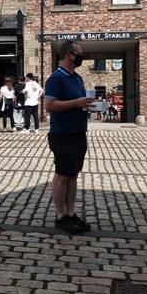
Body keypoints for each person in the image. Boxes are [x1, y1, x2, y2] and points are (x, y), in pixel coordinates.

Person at [44, 40, 95, 234]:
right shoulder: (56, 78)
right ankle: (61, 216)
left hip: (78, 132)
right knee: (62, 174)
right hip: (63, 133)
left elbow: (77, 102)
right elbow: (49, 105)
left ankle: (71, 213)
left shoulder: (77, 78)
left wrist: (86, 104)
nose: (81, 56)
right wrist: (76, 103)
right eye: (79, 53)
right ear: (68, 54)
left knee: (73, 174)